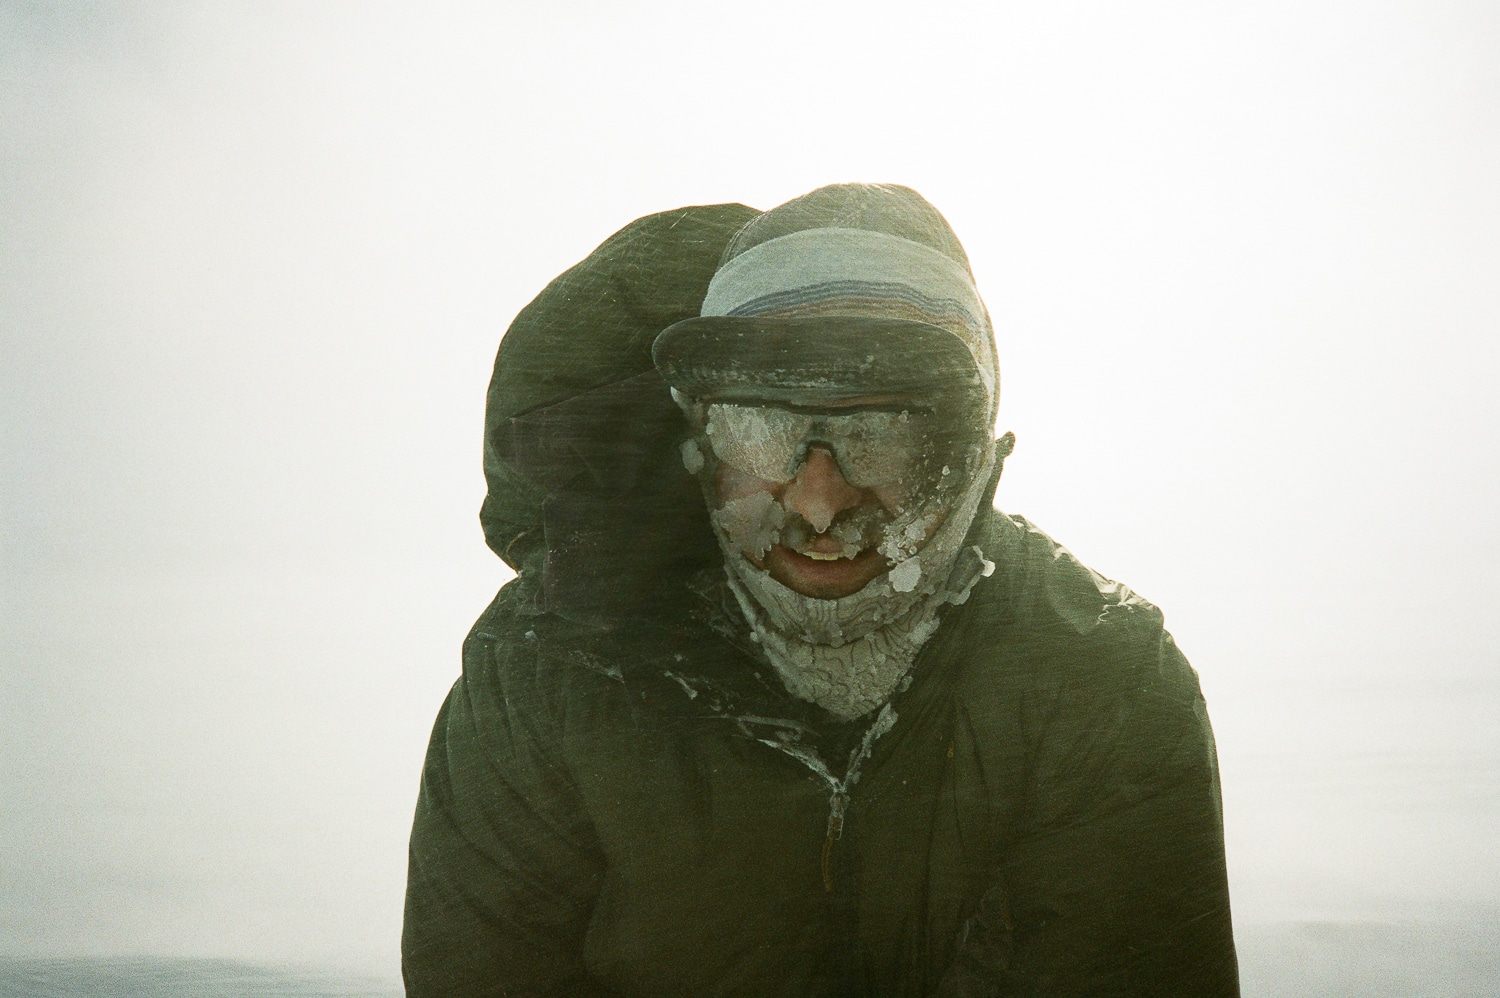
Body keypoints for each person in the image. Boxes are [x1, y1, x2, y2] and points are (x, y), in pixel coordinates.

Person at [402, 184, 1239, 997]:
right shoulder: (548, 676)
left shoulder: (1102, 681)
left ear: (968, 447)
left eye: (881, 434)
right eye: (761, 432)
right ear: (697, 442)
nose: (818, 500)